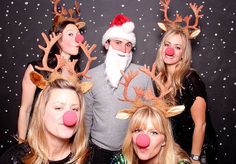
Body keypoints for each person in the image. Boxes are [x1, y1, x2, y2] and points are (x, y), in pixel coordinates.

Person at [17, 0, 92, 141]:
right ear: (57, 39)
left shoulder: (76, 74)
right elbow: (25, 110)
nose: (79, 38)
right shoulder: (37, 69)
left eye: (78, 34)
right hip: (39, 139)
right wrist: (22, 143)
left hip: (65, 142)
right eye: (70, 34)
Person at [83, 14, 153, 164]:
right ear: (107, 44)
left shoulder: (143, 74)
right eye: (118, 42)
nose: (123, 49)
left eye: (128, 44)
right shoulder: (90, 76)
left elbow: (151, 116)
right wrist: (82, 149)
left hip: (133, 150)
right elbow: (86, 116)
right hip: (98, 150)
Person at [154, 1, 216, 163]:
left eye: (177, 47)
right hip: (175, 149)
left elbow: (201, 124)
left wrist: (195, 158)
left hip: (197, 151)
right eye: (167, 45)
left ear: (183, 53)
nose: (170, 50)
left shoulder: (190, 79)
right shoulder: (159, 77)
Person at [0, 79, 88, 163]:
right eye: (58, 108)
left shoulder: (94, 158)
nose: (69, 116)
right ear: (41, 112)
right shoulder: (12, 158)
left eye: (75, 109)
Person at [111, 105, 191, 164]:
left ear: (164, 140)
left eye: (154, 133)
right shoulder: (122, 161)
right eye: (138, 131)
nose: (143, 140)